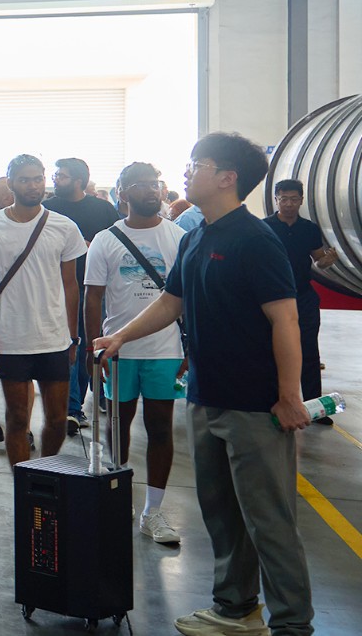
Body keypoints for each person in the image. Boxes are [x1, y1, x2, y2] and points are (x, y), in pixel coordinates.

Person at [95, 133, 312, 636]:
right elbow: (171, 302)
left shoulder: (255, 240)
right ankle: (236, 609)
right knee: (221, 514)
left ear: (227, 178)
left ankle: (292, 625)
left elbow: (285, 320)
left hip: (255, 406)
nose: (186, 172)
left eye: (197, 164)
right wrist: (121, 336)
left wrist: (289, 395)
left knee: (269, 521)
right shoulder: (195, 237)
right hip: (204, 396)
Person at [84, 162, 186, 545]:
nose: (152, 190)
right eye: (141, 185)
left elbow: (188, 296)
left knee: (160, 427)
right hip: (118, 352)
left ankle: (153, 512)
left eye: (155, 184)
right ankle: (118, 494)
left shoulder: (178, 236)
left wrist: (190, 346)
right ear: (123, 193)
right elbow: (93, 297)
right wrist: (93, 347)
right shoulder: (106, 239)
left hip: (165, 349)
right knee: (117, 425)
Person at [0, 154, 86, 465]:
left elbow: (71, 285)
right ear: (11, 183)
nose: (33, 186)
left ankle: (45, 473)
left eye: (38, 179)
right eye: (24, 180)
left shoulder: (64, 226)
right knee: (17, 419)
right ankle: (23, 483)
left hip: (54, 338)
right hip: (12, 339)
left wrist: (73, 337)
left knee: (57, 419)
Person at [44, 157, 121, 433]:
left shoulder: (103, 210)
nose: (55, 180)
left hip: (95, 291)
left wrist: (94, 248)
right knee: (68, 346)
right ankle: (72, 408)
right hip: (58, 289)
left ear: (79, 181)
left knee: (89, 345)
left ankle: (88, 398)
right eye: (55, 175)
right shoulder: (48, 209)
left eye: (61, 176)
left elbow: (118, 244)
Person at [264, 179, 340, 421]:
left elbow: (318, 260)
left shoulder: (309, 229)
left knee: (309, 351)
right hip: (272, 298)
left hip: (303, 296)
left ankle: (313, 408)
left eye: (293, 199)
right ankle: (270, 404)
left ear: (301, 200)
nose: (288, 204)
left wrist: (328, 261)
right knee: (270, 350)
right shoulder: (264, 228)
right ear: (276, 200)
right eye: (284, 199)